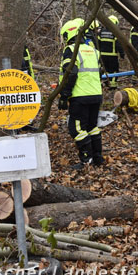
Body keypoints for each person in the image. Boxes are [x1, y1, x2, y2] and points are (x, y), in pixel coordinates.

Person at [58, 18, 103, 170]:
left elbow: (70, 74)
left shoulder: (71, 50)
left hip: (80, 96)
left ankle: (86, 159)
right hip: (96, 94)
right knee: (92, 126)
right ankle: (98, 158)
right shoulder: (93, 51)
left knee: (76, 128)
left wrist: (64, 95)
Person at [97, 15, 124, 90]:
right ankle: (113, 86)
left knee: (105, 70)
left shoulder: (101, 32)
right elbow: (119, 44)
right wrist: (122, 54)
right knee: (114, 71)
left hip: (102, 55)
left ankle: (106, 83)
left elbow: (97, 43)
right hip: (112, 56)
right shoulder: (114, 33)